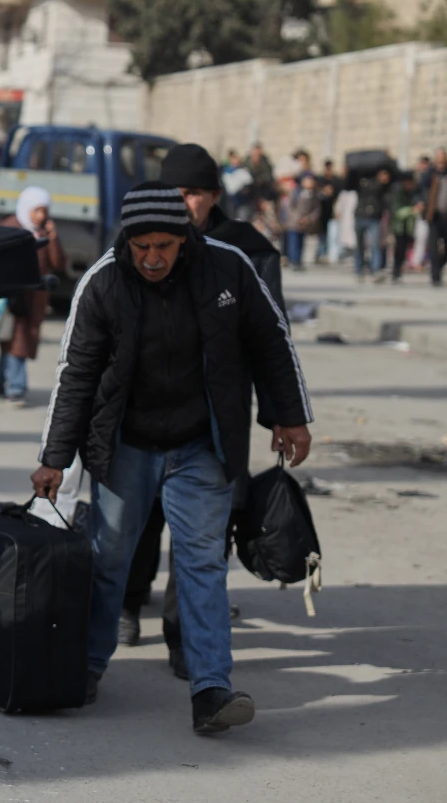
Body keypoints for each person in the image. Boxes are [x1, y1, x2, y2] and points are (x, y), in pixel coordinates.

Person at [32, 182, 312, 734]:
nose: (154, 258)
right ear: (128, 242)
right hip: (126, 446)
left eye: (165, 245)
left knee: (202, 564)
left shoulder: (227, 269)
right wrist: (55, 458)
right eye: (143, 247)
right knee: (109, 561)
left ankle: (212, 690)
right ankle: (85, 668)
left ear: (184, 238)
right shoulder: (104, 281)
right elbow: (76, 376)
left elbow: (272, 343)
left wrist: (290, 415)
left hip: (202, 445)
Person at [121, 143, 287, 667]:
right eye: (173, 192)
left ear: (214, 197)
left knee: (203, 537)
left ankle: (184, 639)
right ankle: (127, 603)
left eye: (192, 193)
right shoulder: (139, 238)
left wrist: (281, 413)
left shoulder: (248, 251)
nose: (182, 202)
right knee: (138, 518)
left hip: (215, 418)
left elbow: (271, 338)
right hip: (144, 411)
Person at [0, 187, 65, 405]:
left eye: (44, 211)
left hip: (35, 300)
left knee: (13, 341)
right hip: (13, 298)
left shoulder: (43, 232)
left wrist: (53, 237)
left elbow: (59, 264)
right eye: (37, 210)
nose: (41, 216)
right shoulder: (11, 227)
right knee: (17, 341)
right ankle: (16, 388)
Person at [355, 165, 392, 282]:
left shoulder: (386, 187)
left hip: (375, 217)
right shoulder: (364, 182)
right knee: (360, 245)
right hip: (361, 215)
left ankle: (375, 270)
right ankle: (359, 269)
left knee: (375, 245)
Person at [389, 170, 424, 283]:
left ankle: (399, 271)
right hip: (399, 227)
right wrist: (412, 210)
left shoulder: (412, 193)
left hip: (408, 227)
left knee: (404, 250)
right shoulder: (398, 193)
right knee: (399, 250)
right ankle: (396, 271)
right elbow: (397, 212)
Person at [281, 176, 319, 271]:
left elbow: (316, 210)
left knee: (301, 243)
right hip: (294, 223)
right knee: (293, 243)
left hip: (304, 224)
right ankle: (293, 261)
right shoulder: (296, 193)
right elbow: (289, 207)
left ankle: (298, 260)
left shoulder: (313, 195)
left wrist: (308, 219)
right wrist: (298, 218)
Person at [425, 149, 447, 286]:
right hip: (434, 215)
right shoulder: (429, 174)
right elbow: (421, 188)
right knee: (433, 247)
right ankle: (435, 276)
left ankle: (438, 266)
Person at [316, 159, 340, 264]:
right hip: (322, 211)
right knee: (322, 234)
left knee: (332, 234)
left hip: (331, 210)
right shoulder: (321, 180)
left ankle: (328, 253)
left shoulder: (336, 180)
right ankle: (320, 253)